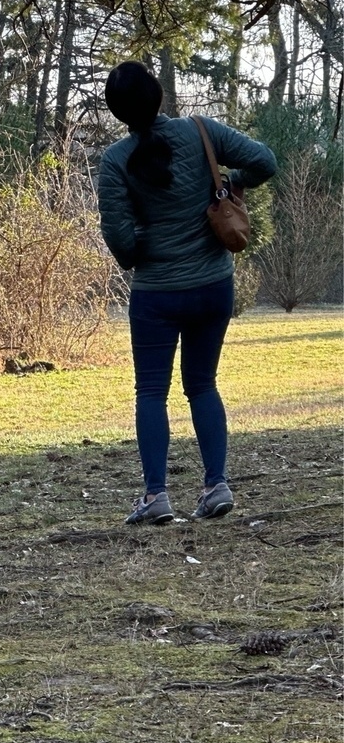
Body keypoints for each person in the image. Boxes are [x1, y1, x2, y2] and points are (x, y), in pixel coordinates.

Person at [98, 61, 277, 526]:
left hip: (157, 293)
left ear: (118, 112)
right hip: (213, 286)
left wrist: (146, 238)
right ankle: (216, 485)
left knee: (151, 391)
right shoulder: (202, 131)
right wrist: (231, 184)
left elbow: (120, 242)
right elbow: (265, 161)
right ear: (158, 95)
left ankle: (156, 495)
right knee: (202, 384)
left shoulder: (116, 160)